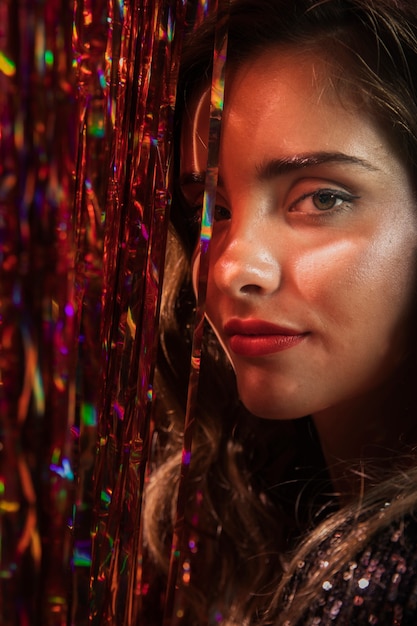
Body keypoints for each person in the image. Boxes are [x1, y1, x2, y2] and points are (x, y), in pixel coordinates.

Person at [144, 0, 417, 624]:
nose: (234, 266)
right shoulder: (252, 512)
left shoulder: (393, 583)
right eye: (211, 208)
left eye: (319, 198)